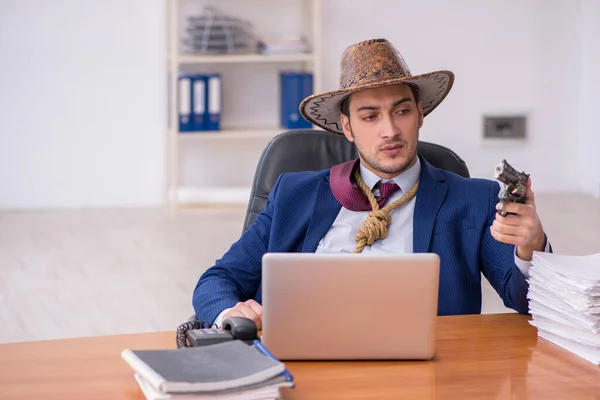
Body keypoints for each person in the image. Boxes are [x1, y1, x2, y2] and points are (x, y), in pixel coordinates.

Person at [191, 38, 550, 329]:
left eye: (402, 111)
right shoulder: (294, 194)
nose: (390, 130)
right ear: (347, 127)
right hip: (303, 363)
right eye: (370, 116)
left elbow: (526, 301)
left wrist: (530, 247)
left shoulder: (475, 199)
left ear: (419, 114)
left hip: (428, 373)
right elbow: (218, 280)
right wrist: (231, 314)